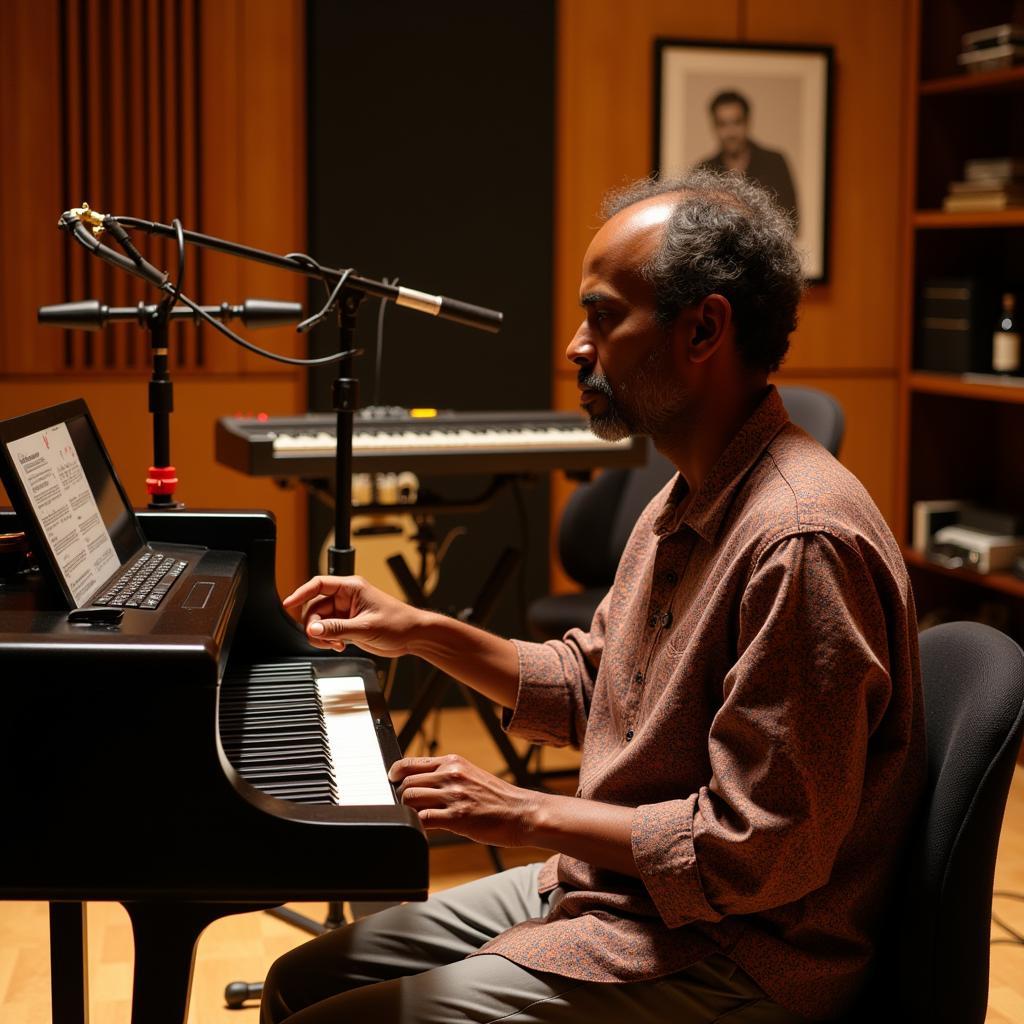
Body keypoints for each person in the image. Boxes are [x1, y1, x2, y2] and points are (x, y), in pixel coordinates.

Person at [261, 169, 925, 1024]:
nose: (576, 345)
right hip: (625, 897)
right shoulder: (685, 495)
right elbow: (593, 687)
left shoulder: (801, 542)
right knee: (301, 980)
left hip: (742, 954)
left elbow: (754, 853)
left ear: (703, 329)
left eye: (605, 316)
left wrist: (521, 809)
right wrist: (421, 629)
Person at [697, 90, 799, 229]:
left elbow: (792, 219)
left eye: (736, 122)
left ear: (747, 122)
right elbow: (698, 225)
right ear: (714, 126)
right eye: (723, 124)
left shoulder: (774, 164)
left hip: (767, 248)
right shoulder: (704, 170)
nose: (730, 132)